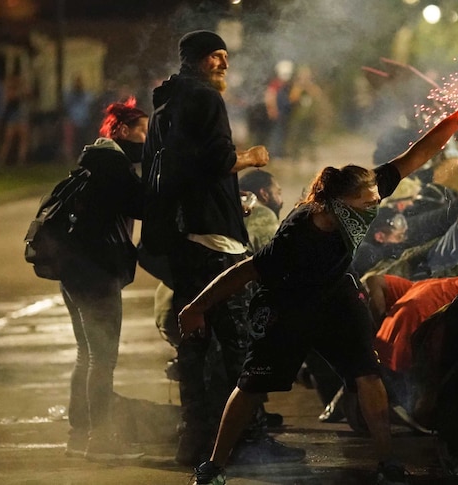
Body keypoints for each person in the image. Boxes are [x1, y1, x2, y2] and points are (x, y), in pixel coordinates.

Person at [179, 88, 458, 485]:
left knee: (367, 373)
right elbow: (244, 271)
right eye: (366, 204)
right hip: (287, 303)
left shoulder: (366, 190)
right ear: (337, 205)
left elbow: (419, 153)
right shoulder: (299, 232)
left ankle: (387, 463)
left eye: (375, 199)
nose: (374, 207)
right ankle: (214, 465)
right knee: (253, 386)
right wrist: (196, 307)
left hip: (335, 295)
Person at [143, 30, 271, 466]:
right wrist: (251, 158)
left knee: (193, 346)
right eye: (216, 56)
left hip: (183, 241)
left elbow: (181, 171)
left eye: (225, 57)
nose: (224, 64)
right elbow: (218, 160)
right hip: (216, 244)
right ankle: (246, 439)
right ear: (197, 60)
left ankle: (193, 439)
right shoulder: (206, 99)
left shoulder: (165, 104)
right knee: (239, 345)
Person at [60, 98, 148, 461]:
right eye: (144, 131)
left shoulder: (93, 160)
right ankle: (101, 440)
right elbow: (143, 206)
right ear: (124, 131)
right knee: (102, 359)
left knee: (86, 354)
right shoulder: (114, 166)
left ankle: (78, 435)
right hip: (96, 275)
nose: (148, 138)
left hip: (72, 272)